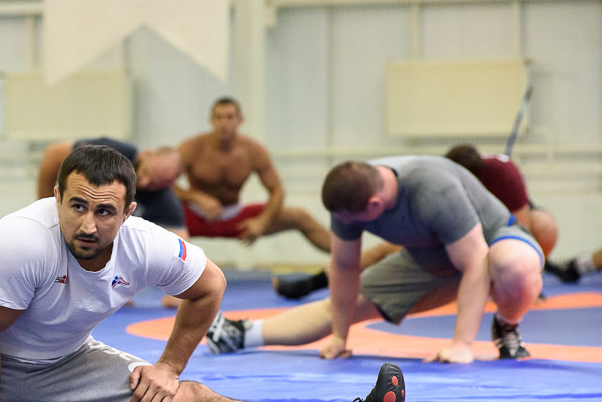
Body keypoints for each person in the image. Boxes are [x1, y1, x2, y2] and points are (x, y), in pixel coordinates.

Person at [0, 145, 406, 402]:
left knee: (187, 400)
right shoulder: (19, 241)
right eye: (77, 206)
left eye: (105, 212)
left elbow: (210, 286)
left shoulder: (145, 243)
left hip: (64, 362)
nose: (88, 225)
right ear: (58, 196)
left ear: (128, 212)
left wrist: (169, 367)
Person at [206, 156, 544, 363]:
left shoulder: (433, 189)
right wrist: (340, 337)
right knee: (341, 307)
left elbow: (475, 261)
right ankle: (241, 334)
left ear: (374, 207)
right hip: (432, 257)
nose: (347, 226)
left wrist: (461, 345)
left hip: (492, 241)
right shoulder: (349, 194)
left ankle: (507, 325)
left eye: (354, 221)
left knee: (513, 264)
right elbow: (343, 266)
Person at [275, 142, 557, 300]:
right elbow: (345, 262)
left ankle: (529, 278)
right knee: (386, 250)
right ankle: (317, 282)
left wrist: (526, 281)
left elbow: (524, 224)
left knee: (542, 227)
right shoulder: (441, 185)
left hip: (496, 230)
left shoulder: (504, 176)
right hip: (452, 234)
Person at [38, 136, 187, 308]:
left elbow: (181, 243)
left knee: (122, 236)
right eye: (145, 173)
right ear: (145, 155)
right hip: (68, 222)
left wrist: (178, 290)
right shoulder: (114, 152)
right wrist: (47, 205)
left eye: (154, 184)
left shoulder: (165, 199)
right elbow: (53, 154)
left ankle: (112, 286)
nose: (144, 182)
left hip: (102, 249)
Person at [176, 97, 332, 250]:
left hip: (235, 217)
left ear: (239, 120)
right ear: (211, 120)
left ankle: (353, 261)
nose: (224, 123)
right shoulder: (192, 147)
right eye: (219, 117)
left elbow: (277, 190)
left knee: (300, 216)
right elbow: (164, 185)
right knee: (152, 216)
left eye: (229, 117)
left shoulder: (253, 150)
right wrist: (196, 197)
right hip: (192, 216)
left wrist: (262, 222)